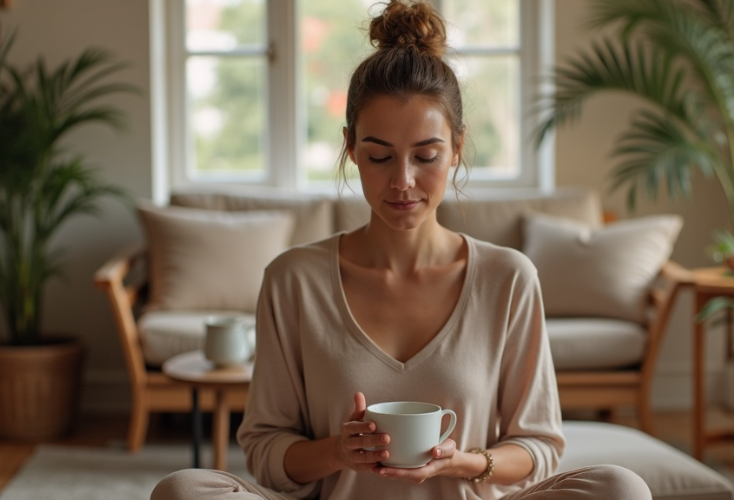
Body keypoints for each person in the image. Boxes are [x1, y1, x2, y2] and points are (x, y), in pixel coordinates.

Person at [151, 1, 652, 498]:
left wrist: (465, 463)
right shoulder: (293, 279)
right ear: (351, 148)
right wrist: (336, 452)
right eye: (379, 156)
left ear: (457, 147)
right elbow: (265, 449)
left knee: (619, 488)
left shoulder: (509, 277)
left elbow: (538, 447)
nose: (403, 181)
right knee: (183, 489)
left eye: (426, 155)